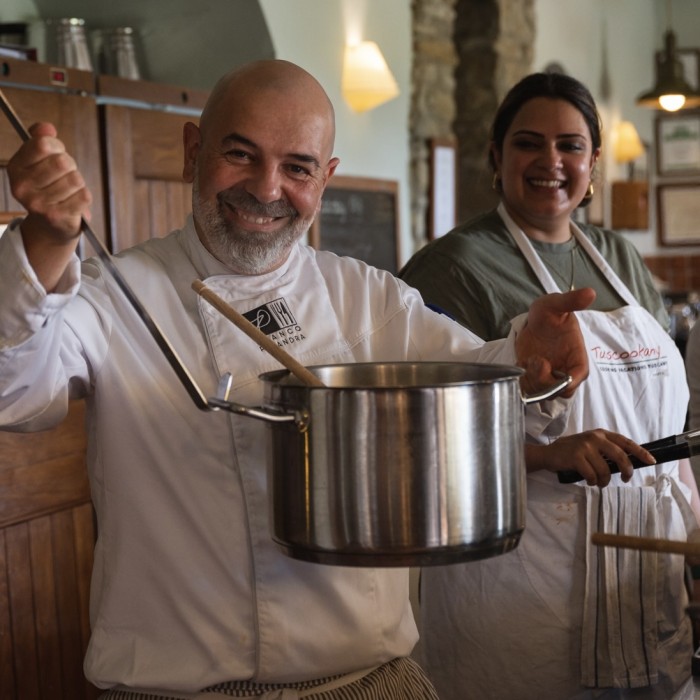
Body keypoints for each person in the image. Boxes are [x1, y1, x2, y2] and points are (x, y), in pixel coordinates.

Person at [0, 60, 602, 700]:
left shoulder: (366, 297)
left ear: (327, 178)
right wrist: (43, 242)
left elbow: (479, 382)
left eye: (297, 167)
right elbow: (14, 392)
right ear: (192, 151)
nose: (266, 188)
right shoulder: (112, 295)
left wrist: (525, 356)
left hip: (367, 681)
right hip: (171, 690)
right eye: (240, 154)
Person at [399, 71, 700, 700]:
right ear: (496, 157)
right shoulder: (452, 269)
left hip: (644, 569)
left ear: (593, 161)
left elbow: (669, 428)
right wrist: (543, 454)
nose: (551, 162)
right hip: (523, 582)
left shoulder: (618, 259)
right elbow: (414, 439)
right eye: (528, 144)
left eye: (570, 146)